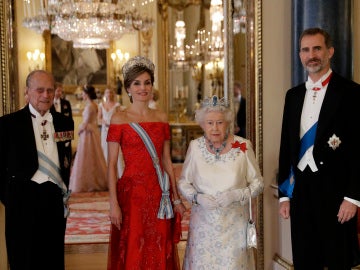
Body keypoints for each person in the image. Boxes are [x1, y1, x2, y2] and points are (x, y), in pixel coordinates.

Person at [278, 27, 360, 269]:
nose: (310, 55)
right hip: (301, 191)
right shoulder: (292, 96)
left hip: (337, 193)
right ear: (300, 54)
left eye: (317, 48)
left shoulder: (351, 93)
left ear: (330, 51)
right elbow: (286, 147)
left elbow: (359, 150)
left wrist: (353, 198)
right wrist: (284, 194)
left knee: (337, 260)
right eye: (305, 50)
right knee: (305, 260)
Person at [107, 55, 186, 269]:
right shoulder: (119, 119)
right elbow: (112, 165)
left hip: (159, 193)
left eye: (147, 82)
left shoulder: (161, 117)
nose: (143, 88)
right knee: (134, 245)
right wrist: (113, 203)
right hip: (131, 195)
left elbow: (166, 161)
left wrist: (176, 197)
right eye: (137, 83)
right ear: (128, 89)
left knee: (159, 243)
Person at [178, 95, 264, 269]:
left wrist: (237, 194)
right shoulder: (195, 147)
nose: (215, 128)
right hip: (202, 226)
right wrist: (196, 197)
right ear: (202, 124)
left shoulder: (243, 146)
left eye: (220, 122)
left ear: (228, 123)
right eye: (210, 123)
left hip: (234, 227)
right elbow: (183, 182)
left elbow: (258, 183)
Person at [0, 70, 74, 270]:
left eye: (50, 90)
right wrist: (9, 196)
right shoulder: (8, 124)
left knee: (53, 256)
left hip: (53, 197)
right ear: (27, 92)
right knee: (23, 256)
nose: (46, 95)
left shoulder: (64, 122)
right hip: (21, 197)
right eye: (40, 90)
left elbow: (65, 158)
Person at [69, 85, 108, 192]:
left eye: (83, 93)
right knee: (94, 155)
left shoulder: (90, 106)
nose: (82, 95)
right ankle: (96, 180)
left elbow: (86, 122)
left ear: (86, 94)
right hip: (93, 132)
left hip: (87, 133)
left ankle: (87, 182)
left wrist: (79, 129)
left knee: (87, 156)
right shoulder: (94, 105)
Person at [98, 87, 125, 177]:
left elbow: (120, 117)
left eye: (110, 92)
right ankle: (106, 175)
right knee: (105, 149)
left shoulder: (117, 105)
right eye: (107, 92)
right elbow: (99, 118)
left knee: (116, 150)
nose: (108, 94)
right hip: (104, 130)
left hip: (114, 129)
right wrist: (103, 122)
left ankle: (119, 174)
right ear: (105, 94)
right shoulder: (101, 105)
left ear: (112, 94)